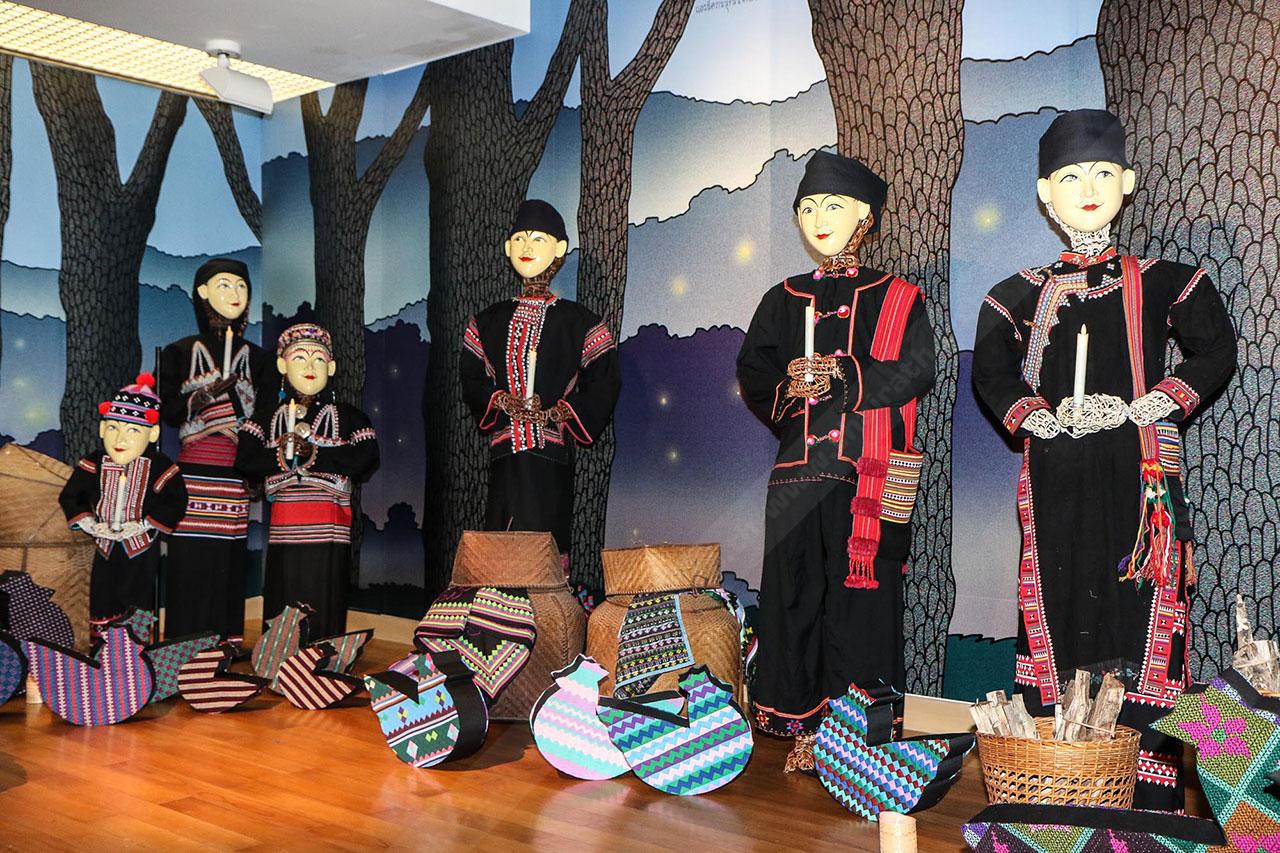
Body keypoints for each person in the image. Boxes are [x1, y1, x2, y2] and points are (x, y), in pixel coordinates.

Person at [973, 109, 1236, 811]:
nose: (1086, 188)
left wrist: (1154, 402)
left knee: (1143, 616)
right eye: (1068, 177)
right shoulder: (1015, 294)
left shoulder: (1166, 280)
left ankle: (1145, 801)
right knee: (1057, 614)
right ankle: (1059, 789)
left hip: (1140, 482)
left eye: (1100, 173)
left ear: (1128, 181)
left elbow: (1216, 347)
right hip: (1056, 482)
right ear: (1043, 194)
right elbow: (992, 373)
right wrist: (1039, 415)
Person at [737, 151, 935, 763]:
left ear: (865, 218)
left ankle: (854, 735)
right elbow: (753, 370)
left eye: (834, 206)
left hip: (866, 478)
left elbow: (917, 369)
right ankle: (796, 723)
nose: (819, 219)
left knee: (861, 605)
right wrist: (788, 385)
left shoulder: (898, 298)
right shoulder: (781, 298)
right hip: (796, 475)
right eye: (808, 208)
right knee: (792, 597)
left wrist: (844, 374)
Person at [460, 199, 621, 571]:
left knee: (544, 540)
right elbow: (471, 376)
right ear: (507, 248)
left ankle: (545, 606)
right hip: (504, 454)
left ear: (559, 249)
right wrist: (502, 401)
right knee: (500, 536)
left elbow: (605, 379)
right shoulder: (487, 321)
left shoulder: (579, 322)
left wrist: (558, 412)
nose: (527, 247)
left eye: (538, 239)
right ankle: (498, 605)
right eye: (519, 239)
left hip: (550, 457)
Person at [235, 323, 380, 639]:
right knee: (284, 589)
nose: (310, 367)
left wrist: (314, 454)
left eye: (318, 360)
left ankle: (321, 656)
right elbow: (245, 460)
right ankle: (281, 653)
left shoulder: (350, 417)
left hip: (329, 527)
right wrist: (281, 457)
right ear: (282, 365)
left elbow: (367, 457)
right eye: (299, 358)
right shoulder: (264, 418)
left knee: (324, 591)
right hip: (285, 526)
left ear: (331, 367)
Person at [159, 259, 274, 641]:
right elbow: (168, 411)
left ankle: (224, 642)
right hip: (192, 474)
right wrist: (203, 397)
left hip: (234, 473)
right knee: (189, 558)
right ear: (203, 292)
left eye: (242, 286)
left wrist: (253, 464)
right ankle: (182, 641)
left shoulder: (259, 359)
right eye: (224, 285)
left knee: (228, 560)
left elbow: (265, 419)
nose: (235, 294)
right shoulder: (178, 352)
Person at [58, 373, 187, 641]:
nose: (121, 439)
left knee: (137, 597)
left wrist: (144, 524)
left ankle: (134, 649)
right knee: (102, 594)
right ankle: (103, 649)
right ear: (102, 429)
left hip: (140, 547)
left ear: (152, 434)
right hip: (104, 546)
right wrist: (89, 523)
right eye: (113, 428)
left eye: (133, 431)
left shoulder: (160, 466)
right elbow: (72, 494)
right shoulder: (95, 461)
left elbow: (176, 500)